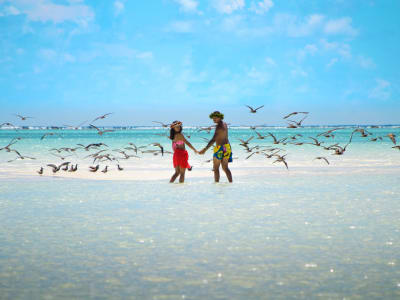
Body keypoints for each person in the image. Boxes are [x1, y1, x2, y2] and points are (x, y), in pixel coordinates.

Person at [199, 111, 233, 183]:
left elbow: (214, 139)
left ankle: (216, 184)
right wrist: (229, 148)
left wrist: (205, 149)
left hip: (219, 148)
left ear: (220, 117)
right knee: (225, 168)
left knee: (216, 168)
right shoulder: (225, 124)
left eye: (215, 118)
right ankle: (231, 183)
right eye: (213, 118)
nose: (214, 119)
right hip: (226, 147)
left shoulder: (219, 126)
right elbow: (225, 137)